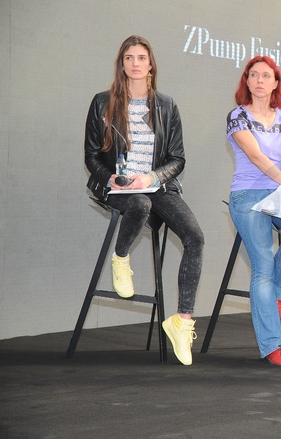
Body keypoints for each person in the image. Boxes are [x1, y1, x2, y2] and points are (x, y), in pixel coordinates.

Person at [84, 35, 205, 366]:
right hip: (120, 186)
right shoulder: (102, 102)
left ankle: (182, 322)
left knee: (195, 237)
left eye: (141, 58)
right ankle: (121, 258)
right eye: (129, 58)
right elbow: (92, 155)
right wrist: (109, 177)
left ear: (151, 65)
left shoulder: (166, 105)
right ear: (121, 64)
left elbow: (177, 159)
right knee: (140, 205)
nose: (135, 63)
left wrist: (151, 178)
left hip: (157, 185)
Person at [226, 55, 281, 368]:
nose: (259, 80)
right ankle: (273, 345)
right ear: (246, 81)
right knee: (263, 265)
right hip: (247, 195)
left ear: (276, 83)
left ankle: (280, 294)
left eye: (266, 76)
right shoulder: (237, 116)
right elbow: (256, 157)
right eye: (254, 75)